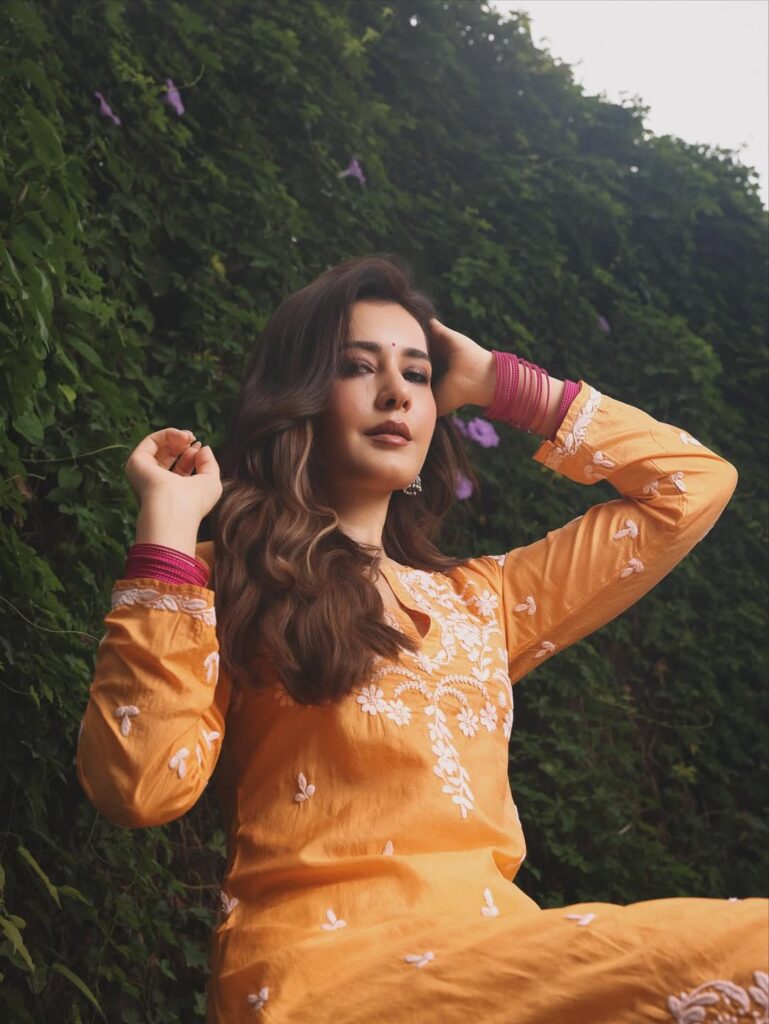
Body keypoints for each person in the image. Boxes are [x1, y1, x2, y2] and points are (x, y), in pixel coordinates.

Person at [76, 255, 768, 1023]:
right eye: (356, 367)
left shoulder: (483, 603)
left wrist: (499, 383)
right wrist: (168, 532)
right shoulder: (221, 578)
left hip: (494, 964)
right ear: (299, 397)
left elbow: (691, 486)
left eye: (416, 374)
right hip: (320, 981)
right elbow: (139, 786)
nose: (396, 393)